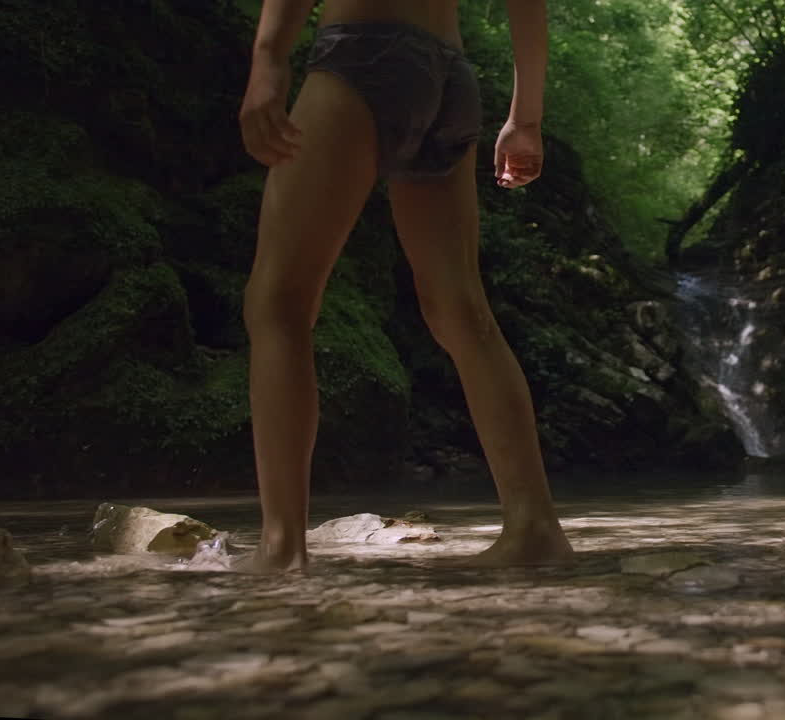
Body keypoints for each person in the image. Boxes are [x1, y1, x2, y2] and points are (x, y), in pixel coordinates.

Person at [236, 0, 573, 572]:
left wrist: (268, 56)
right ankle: (534, 527)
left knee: (278, 303)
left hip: (363, 51)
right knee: (461, 311)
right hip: (448, 74)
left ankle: (281, 547)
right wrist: (526, 118)